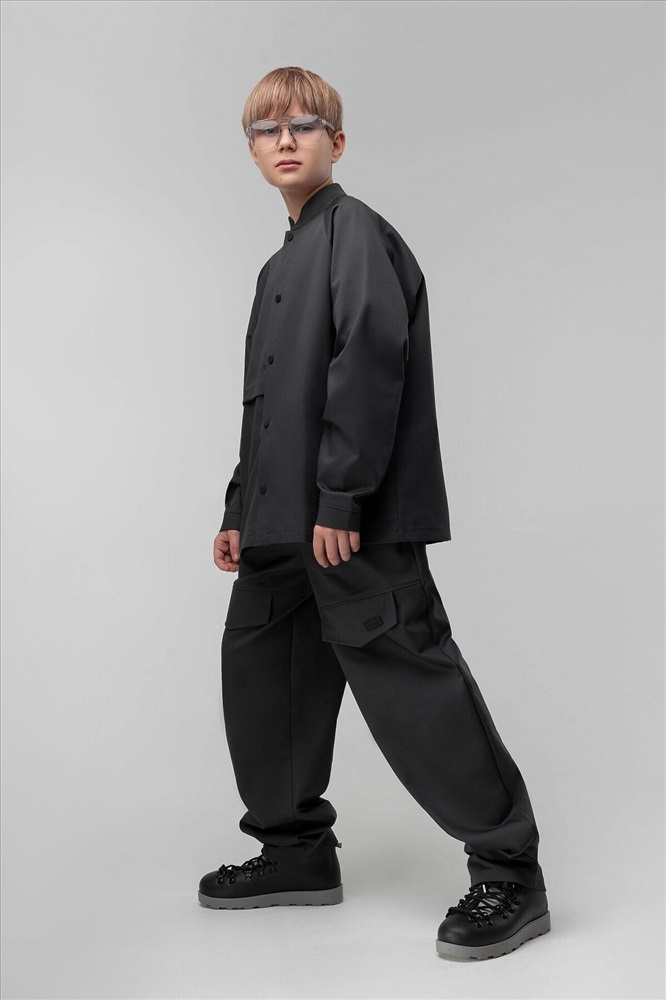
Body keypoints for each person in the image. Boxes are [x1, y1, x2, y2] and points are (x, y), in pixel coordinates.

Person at [198, 66, 550, 961]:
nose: (285, 140)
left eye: (304, 125)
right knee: (261, 677)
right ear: (251, 151)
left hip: (345, 522)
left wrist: (343, 496)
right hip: (279, 525)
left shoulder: (353, 232)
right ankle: (294, 851)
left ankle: (509, 871)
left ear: (337, 143)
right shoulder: (277, 265)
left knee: (410, 683)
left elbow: (369, 363)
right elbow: (265, 404)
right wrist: (240, 506)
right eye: (267, 129)